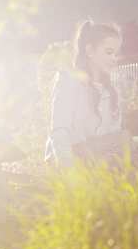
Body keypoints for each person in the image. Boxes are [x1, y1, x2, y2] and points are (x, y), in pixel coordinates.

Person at [45, 21, 131, 168]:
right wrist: (70, 172)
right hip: (67, 159)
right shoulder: (68, 80)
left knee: (126, 140)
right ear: (90, 51)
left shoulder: (111, 90)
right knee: (124, 141)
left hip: (97, 157)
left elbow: (112, 137)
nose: (114, 59)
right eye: (109, 52)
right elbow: (59, 132)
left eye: (116, 54)